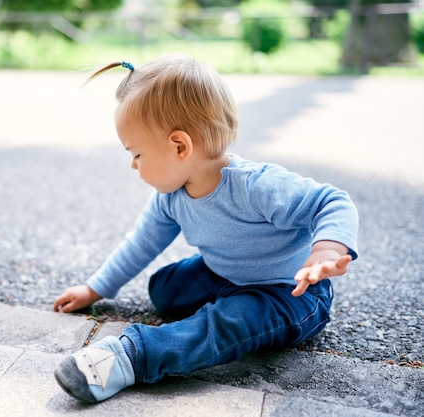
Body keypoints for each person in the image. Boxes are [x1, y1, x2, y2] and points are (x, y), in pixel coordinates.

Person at [52, 55, 359, 404]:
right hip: (226, 273)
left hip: (290, 293)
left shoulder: (254, 186)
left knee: (225, 324)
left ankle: (132, 356)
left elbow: (332, 202)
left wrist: (326, 251)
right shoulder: (170, 197)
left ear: (180, 146)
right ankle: (226, 303)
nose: (132, 164)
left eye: (137, 154)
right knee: (163, 290)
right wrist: (95, 288)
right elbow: (141, 242)